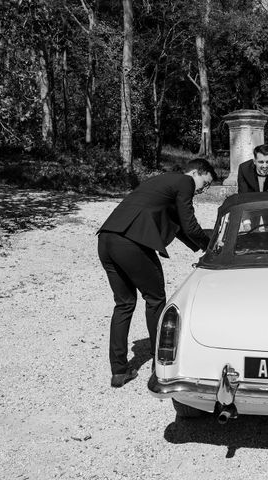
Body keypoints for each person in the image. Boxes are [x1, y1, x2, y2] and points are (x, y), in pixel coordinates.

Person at [97, 158, 217, 387]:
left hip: (107, 239)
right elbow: (190, 224)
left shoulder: (163, 183)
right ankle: (159, 365)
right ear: (195, 172)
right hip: (130, 243)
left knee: (123, 304)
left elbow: (180, 226)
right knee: (155, 299)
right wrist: (210, 247)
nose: (203, 189)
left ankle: (119, 370)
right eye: (205, 182)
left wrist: (201, 245)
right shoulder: (184, 182)